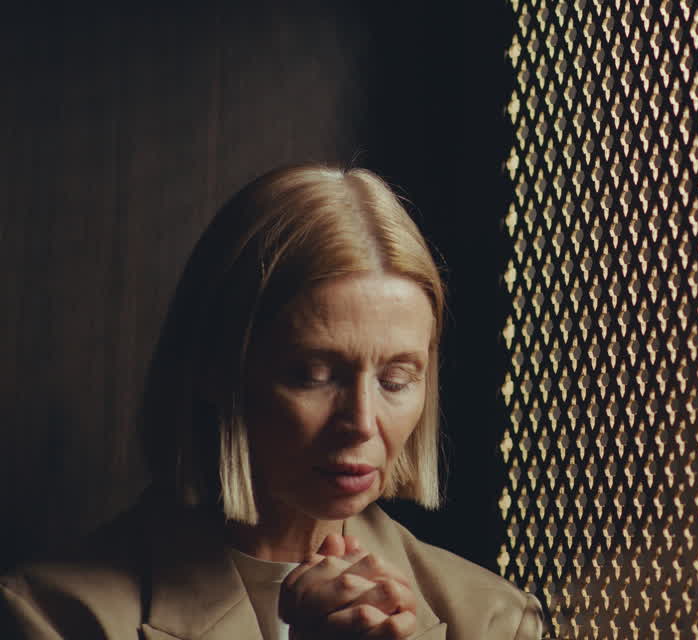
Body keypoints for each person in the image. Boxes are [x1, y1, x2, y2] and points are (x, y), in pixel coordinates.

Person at [0, 165, 544, 639]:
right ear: (214, 368)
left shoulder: (493, 619)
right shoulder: (53, 616)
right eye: (312, 375)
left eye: (396, 380)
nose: (361, 422)